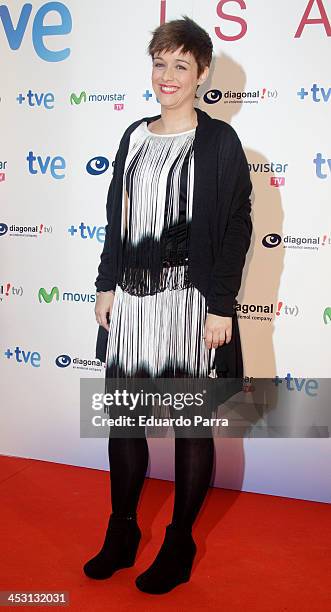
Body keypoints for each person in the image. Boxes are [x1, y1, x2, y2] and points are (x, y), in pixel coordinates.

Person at [83, 16, 252, 595]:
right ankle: (123, 530)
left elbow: (236, 228)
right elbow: (118, 219)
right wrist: (105, 283)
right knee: (125, 424)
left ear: (202, 73)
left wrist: (221, 305)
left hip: (188, 303)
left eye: (181, 64)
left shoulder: (219, 142)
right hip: (130, 301)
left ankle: (179, 540)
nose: (167, 76)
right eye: (160, 63)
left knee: (187, 427)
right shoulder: (132, 135)